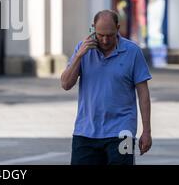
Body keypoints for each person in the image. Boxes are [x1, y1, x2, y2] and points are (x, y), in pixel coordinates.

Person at [61, 9, 152, 165]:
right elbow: (66, 84)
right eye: (100, 35)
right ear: (93, 29)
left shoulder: (133, 52)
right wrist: (78, 56)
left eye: (109, 35)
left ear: (118, 28)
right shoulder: (82, 50)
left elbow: (143, 94)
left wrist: (147, 131)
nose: (104, 40)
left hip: (123, 131)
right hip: (85, 131)